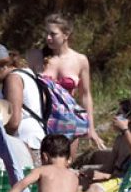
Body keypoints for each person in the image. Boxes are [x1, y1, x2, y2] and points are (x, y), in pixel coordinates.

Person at [27, 13, 105, 155]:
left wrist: (91, 128)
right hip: (42, 118)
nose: (48, 38)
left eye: (53, 34)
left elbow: (86, 96)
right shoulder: (35, 57)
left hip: (67, 121)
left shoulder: (80, 60)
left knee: (65, 166)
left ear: (66, 34)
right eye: (46, 33)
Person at [0, 43, 45, 162]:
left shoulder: (12, 79)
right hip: (35, 139)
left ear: (2, 64)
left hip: (25, 143)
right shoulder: (27, 73)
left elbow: (13, 122)